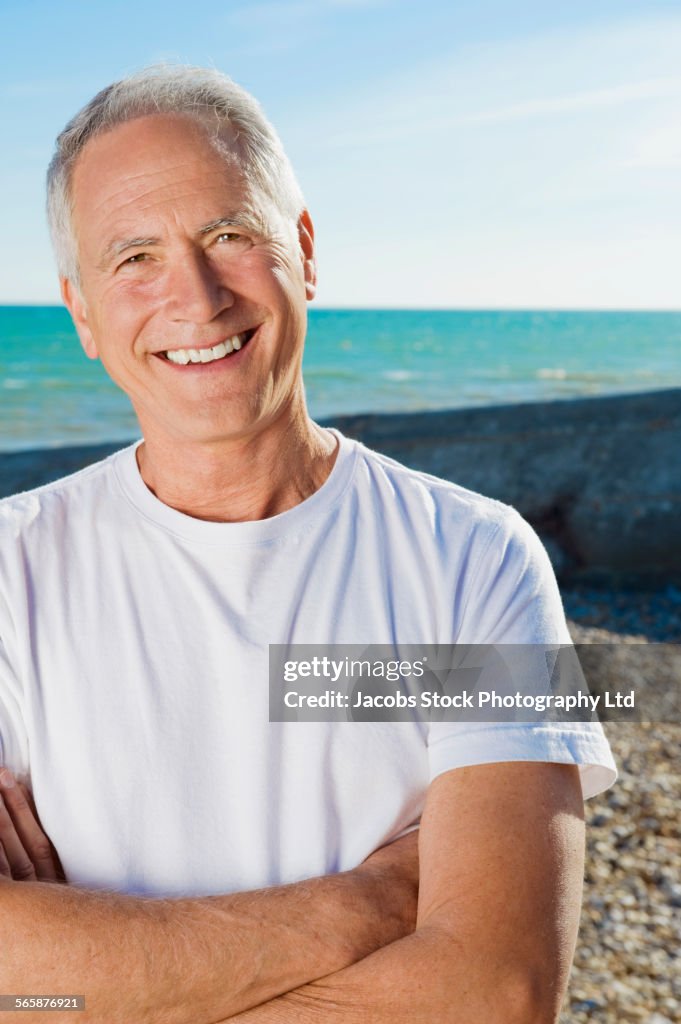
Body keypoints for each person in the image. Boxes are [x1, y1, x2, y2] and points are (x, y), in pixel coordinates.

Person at [0, 65, 616, 1022]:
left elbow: (495, 993)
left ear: (306, 250)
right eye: (134, 259)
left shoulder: (475, 561)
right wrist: (368, 904)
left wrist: (79, 994)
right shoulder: (11, 568)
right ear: (80, 311)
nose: (195, 298)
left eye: (229, 235)